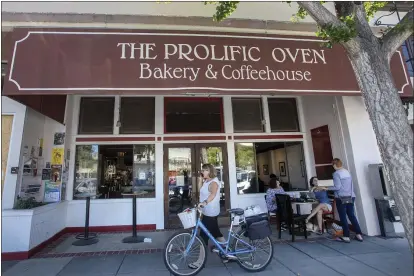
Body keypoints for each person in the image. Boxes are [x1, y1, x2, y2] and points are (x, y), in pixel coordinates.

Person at [189, 164, 225, 269]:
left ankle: (200, 261)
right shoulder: (206, 181)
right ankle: (229, 253)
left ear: (210, 171)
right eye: (203, 170)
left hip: (211, 213)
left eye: (205, 170)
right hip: (206, 212)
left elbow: (213, 194)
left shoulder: (214, 182)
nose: (202, 171)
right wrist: (200, 180)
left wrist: (204, 203)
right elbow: (202, 191)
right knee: (217, 233)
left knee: (203, 237)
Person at [330, 158, 364, 243]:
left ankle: (346, 236)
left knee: (343, 217)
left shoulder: (336, 174)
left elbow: (337, 187)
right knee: (351, 215)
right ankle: (358, 234)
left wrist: (326, 188)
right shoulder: (347, 172)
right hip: (351, 196)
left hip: (341, 198)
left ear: (334, 165)